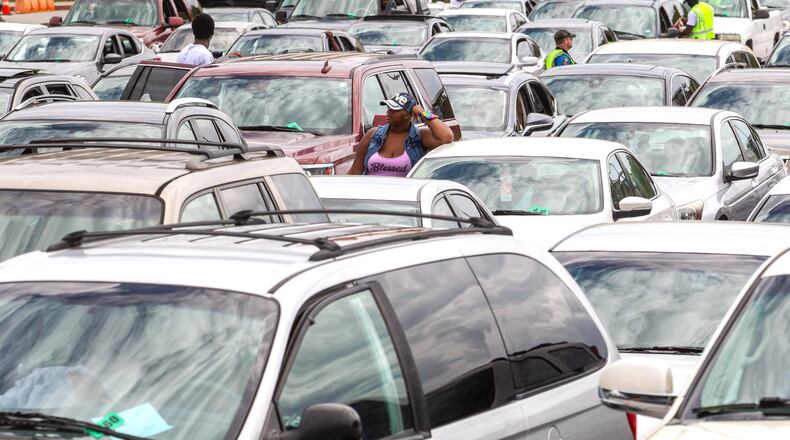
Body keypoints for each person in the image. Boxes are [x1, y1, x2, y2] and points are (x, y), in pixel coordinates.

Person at [350, 93, 454, 176]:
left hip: (404, 195)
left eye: (395, 109)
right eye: (388, 108)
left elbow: (447, 137)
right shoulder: (373, 135)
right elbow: (355, 172)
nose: (389, 112)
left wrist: (423, 113)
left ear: (407, 114)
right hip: (370, 195)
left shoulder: (420, 136)